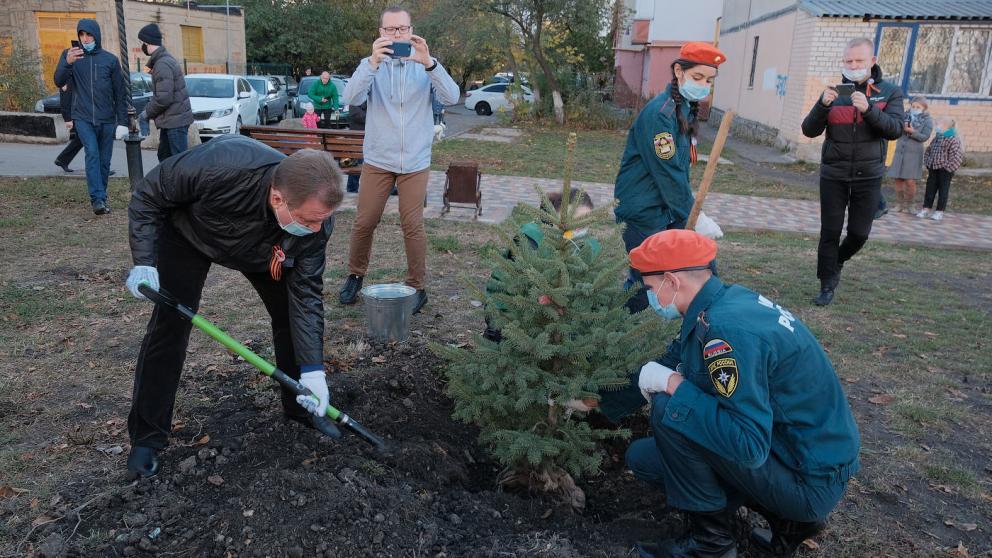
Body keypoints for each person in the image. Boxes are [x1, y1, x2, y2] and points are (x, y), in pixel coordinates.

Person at [617, 229, 860, 558]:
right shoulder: (724, 301)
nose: (649, 297)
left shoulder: (725, 332)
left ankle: (710, 546)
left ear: (671, 282)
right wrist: (599, 400)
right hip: (798, 454)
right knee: (646, 459)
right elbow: (671, 359)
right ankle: (788, 524)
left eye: (649, 288)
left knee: (669, 409)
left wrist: (673, 385)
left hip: (808, 480)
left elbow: (748, 446)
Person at [122, 135, 344, 478]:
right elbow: (150, 194)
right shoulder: (222, 164)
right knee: (169, 327)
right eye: (310, 220)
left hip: (267, 251)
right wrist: (144, 260)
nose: (317, 229)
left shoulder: (314, 225)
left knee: (289, 315)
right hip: (189, 235)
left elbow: (308, 300)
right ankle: (147, 437)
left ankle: (301, 407)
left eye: (322, 220)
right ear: (277, 198)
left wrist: (314, 372)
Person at [337, 6, 460, 315]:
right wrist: (372, 63)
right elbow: (350, 98)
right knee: (364, 222)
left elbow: (452, 97)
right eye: (390, 30)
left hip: (415, 161)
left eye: (402, 29)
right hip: (378, 159)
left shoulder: (426, 65)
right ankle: (354, 275)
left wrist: (430, 63)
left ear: (411, 30)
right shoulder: (370, 65)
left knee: (412, 224)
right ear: (381, 33)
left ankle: (418, 287)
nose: (396, 35)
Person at [613, 41, 725, 313]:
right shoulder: (660, 115)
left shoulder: (684, 108)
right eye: (698, 77)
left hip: (666, 206)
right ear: (678, 71)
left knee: (701, 264)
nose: (703, 85)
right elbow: (668, 174)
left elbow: (678, 170)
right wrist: (694, 217)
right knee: (647, 279)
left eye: (709, 80)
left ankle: (707, 318)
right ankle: (611, 327)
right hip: (643, 210)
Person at [801, 38, 904, 306]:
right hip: (834, 174)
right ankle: (826, 285)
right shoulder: (834, 93)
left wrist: (869, 110)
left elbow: (894, 130)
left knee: (859, 233)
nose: (853, 65)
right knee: (830, 232)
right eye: (848, 61)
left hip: (868, 175)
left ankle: (836, 262)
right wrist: (822, 106)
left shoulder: (889, 93)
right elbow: (809, 130)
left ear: (872, 61)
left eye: (859, 61)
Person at [483, 190, 599, 342]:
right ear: (554, 216)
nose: (579, 227)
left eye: (585, 221)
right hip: (519, 317)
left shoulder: (590, 247)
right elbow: (510, 288)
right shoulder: (531, 239)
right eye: (574, 220)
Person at [53, 18, 128, 215]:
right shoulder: (71, 56)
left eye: (89, 35)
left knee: (105, 161)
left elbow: (120, 93)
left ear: (96, 36)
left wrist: (123, 122)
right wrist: (66, 64)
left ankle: (102, 197)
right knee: (92, 155)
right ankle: (96, 199)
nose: (85, 39)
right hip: (83, 118)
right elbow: (58, 81)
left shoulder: (110, 60)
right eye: (81, 35)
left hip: (107, 119)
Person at [138, 23, 194, 162]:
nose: (142, 46)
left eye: (142, 42)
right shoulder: (163, 60)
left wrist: (145, 114)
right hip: (173, 120)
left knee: (177, 162)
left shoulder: (162, 64)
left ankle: (181, 184)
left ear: (147, 42)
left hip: (174, 122)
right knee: (165, 158)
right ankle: (169, 184)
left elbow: (163, 98)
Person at [885, 97, 932, 214]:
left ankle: (910, 205)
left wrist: (912, 132)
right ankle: (899, 204)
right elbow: (895, 130)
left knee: (909, 181)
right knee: (898, 179)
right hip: (899, 151)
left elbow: (924, 137)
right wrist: (901, 128)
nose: (915, 109)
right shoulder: (904, 116)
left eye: (918, 107)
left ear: (924, 108)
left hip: (913, 153)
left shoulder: (927, 120)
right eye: (913, 106)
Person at [916, 116, 964, 222]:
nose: (936, 127)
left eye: (938, 124)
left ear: (945, 127)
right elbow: (929, 150)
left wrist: (947, 168)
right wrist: (928, 162)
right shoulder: (937, 137)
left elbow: (957, 156)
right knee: (930, 189)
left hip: (945, 171)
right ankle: (926, 208)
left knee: (943, 191)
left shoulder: (953, 139)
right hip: (933, 168)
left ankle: (939, 211)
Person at [54, 84, 82, 173]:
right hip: (76, 113)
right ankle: (101, 168)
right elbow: (65, 99)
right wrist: (67, 118)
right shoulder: (66, 77)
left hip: (78, 112)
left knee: (81, 139)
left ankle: (62, 160)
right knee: (83, 138)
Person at [345, 100, 367, 193]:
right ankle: (352, 187)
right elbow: (359, 116)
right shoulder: (355, 100)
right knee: (357, 161)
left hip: (368, 137)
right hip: (358, 138)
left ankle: (388, 188)